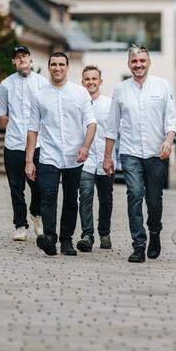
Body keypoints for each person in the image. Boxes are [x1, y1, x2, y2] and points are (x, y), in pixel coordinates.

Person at [103, 45, 176, 263]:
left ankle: (155, 232)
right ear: (129, 64)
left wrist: (168, 140)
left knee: (154, 200)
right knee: (134, 194)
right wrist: (108, 157)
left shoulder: (162, 86)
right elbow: (111, 126)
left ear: (149, 62)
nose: (138, 65)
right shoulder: (120, 90)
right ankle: (139, 245)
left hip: (157, 153)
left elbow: (171, 120)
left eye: (142, 61)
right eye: (134, 61)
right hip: (130, 152)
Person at [25, 52, 96, 257]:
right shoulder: (39, 95)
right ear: (49, 67)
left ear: (67, 67)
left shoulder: (80, 93)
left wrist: (85, 145)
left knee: (71, 199)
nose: (58, 68)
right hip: (49, 155)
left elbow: (91, 123)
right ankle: (49, 238)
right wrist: (29, 161)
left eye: (61, 64)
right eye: (54, 64)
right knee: (48, 196)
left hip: (75, 156)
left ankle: (66, 240)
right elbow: (32, 129)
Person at [0, 45, 48, 242]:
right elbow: (1, 113)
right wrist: (13, 128)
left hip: (39, 144)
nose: (22, 59)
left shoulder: (42, 83)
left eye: (25, 56)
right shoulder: (6, 85)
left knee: (39, 185)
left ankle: (36, 213)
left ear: (31, 59)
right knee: (16, 187)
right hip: (13, 144)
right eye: (18, 57)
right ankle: (20, 224)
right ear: (13, 62)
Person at [77, 65, 114, 252]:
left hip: (106, 159)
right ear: (82, 82)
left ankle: (104, 232)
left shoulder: (109, 104)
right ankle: (87, 235)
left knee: (106, 198)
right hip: (85, 160)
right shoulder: (78, 104)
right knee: (85, 196)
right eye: (87, 79)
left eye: (94, 79)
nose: (90, 82)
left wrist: (112, 157)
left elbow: (115, 131)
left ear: (100, 82)